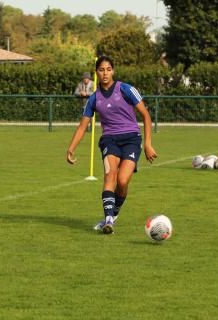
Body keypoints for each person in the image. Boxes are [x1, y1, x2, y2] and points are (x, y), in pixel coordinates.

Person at [66, 56, 157, 234]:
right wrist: (71, 148)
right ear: (96, 72)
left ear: (113, 71)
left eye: (108, 69)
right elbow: (82, 126)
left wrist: (148, 144)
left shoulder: (126, 89)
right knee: (110, 175)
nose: (105, 73)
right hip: (109, 140)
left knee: (122, 181)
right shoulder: (94, 98)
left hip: (132, 139)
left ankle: (113, 213)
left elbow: (146, 115)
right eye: (101, 70)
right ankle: (108, 220)